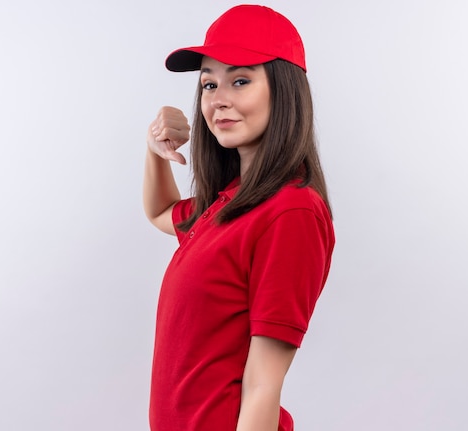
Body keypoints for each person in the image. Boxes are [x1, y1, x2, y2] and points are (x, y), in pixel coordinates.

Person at [143, 4, 335, 431]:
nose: (218, 100)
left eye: (241, 80)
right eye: (209, 84)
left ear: (284, 89)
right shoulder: (228, 204)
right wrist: (155, 152)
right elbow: (159, 212)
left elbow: (263, 386)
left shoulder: (291, 212)